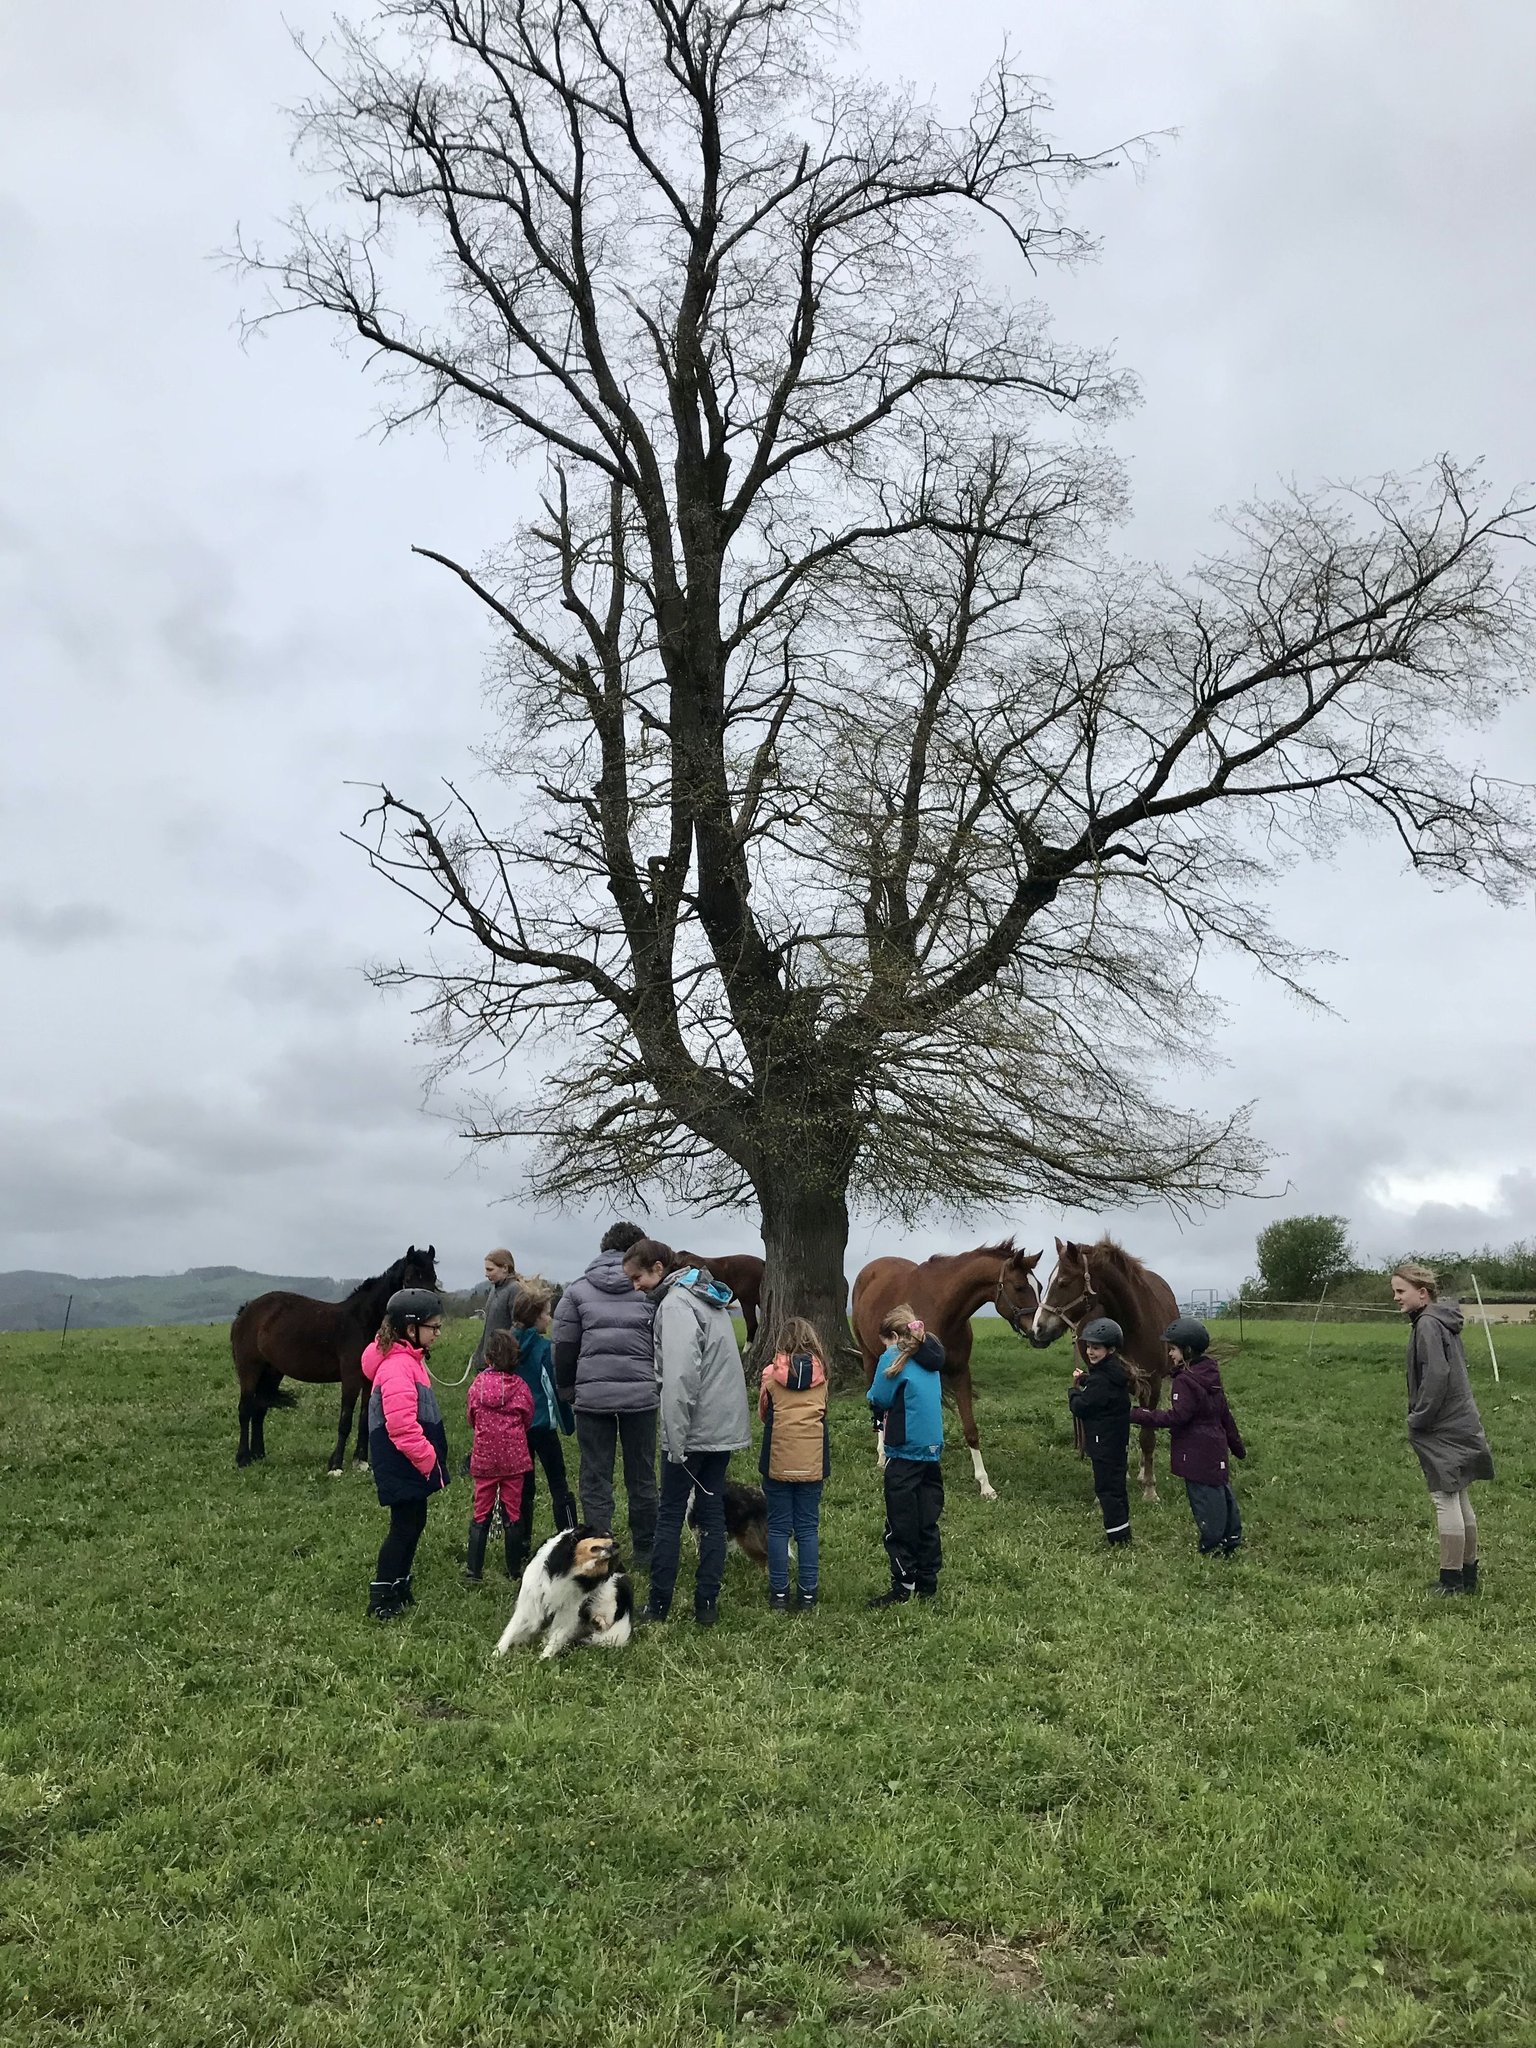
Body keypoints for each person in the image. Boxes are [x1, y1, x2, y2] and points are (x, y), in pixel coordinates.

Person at [622, 1238, 750, 1628]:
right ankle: (705, 1605)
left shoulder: (676, 1306)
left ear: (659, 1269)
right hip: (721, 1427)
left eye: (638, 1277)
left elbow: (679, 1378)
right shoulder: (709, 1301)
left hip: (691, 1430)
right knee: (712, 1514)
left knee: (671, 1514)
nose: (635, 1286)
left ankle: (658, 1605)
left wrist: (674, 1443)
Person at [551, 1221, 659, 1570]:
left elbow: (563, 1347)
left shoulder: (577, 1291)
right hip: (641, 1397)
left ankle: (600, 1551)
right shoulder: (650, 1290)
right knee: (641, 1476)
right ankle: (645, 1549)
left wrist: (567, 1389)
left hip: (593, 1399)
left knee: (595, 1477)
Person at [1392, 1261, 1495, 1596]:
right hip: (1461, 1419)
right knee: (1460, 1494)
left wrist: (1419, 1418)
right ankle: (1468, 1575)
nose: (1396, 1298)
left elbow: (1436, 1375)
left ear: (1422, 1293)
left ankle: (1451, 1580)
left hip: (1442, 1424)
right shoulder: (1442, 1322)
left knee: (1444, 1496)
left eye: (1400, 1291)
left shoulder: (1427, 1326)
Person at [364, 1288, 450, 1619]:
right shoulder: (398, 1366)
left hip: (408, 1460)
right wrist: (427, 1457)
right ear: (410, 1329)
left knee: (414, 1523)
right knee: (403, 1528)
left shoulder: (408, 1361)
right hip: (405, 1460)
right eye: (433, 1326)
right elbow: (401, 1426)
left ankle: (400, 1585)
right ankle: (381, 1597)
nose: (438, 1333)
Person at [1131, 1318, 1245, 1557]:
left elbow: (1177, 1417)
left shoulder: (1184, 1381)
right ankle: (1232, 1537)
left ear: (1187, 1350)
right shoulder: (1210, 1373)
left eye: (1173, 1349)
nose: (1170, 1354)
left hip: (1195, 1450)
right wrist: (1236, 1446)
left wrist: (1140, 1415)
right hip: (1216, 1446)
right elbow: (1224, 1412)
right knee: (1221, 1491)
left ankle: (1212, 1546)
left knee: (1204, 1499)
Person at [866, 1303, 946, 1607]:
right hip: (931, 1449)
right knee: (927, 1515)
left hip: (904, 1448)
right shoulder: (931, 1355)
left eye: (884, 1340)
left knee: (899, 1519)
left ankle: (903, 1583)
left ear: (893, 1336)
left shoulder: (893, 1356)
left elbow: (879, 1396)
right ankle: (928, 1579)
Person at [758, 1316, 831, 1612]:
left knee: (777, 1528)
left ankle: (778, 1594)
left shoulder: (770, 1375)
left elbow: (765, 1413)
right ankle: (808, 1594)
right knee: (807, 1528)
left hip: (778, 1458)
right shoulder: (822, 1375)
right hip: (812, 1460)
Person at [507, 1279, 578, 1572]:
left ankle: (519, 1547)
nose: (549, 1318)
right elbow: (555, 1390)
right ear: (536, 1317)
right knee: (558, 1484)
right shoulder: (544, 1349)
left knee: (523, 1488)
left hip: (515, 1428)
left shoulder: (507, 1345)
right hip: (542, 1427)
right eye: (547, 1313)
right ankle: (570, 1540)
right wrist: (568, 1423)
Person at [464, 1328, 535, 1583]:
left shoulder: (477, 1386)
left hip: (484, 1459)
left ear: (489, 1357)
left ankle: (474, 1571)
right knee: (512, 1511)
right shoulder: (521, 1387)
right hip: (514, 1459)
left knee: (481, 1511)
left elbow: (471, 1416)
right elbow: (528, 1416)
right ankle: (514, 1570)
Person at [1068, 1316, 1133, 1547]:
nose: (1090, 1352)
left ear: (1111, 1349)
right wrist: (1086, 1378)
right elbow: (1099, 1386)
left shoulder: (1101, 1381)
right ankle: (1123, 1531)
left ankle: (1117, 1538)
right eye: (1088, 1347)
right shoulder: (1113, 1373)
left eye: (1096, 1347)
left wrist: (1073, 1393)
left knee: (1106, 1490)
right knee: (1117, 1488)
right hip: (1116, 1441)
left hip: (1103, 1443)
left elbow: (1082, 1407)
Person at [463, 1248, 519, 1473]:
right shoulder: (495, 1289)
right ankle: (481, 1452)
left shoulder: (514, 1290)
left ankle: (495, 1456)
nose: (486, 1274)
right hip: (485, 1359)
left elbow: (517, 1325)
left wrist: (503, 1355)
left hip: (500, 1362)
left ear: (505, 1268)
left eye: (490, 1269)